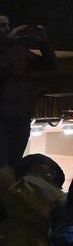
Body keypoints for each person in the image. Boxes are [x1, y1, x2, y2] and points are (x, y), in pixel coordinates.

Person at [0, 18, 55, 167]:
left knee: (15, 158)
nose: (6, 29)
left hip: (21, 112)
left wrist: (44, 42)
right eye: (2, 26)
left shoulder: (19, 51)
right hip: (4, 113)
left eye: (8, 25)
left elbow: (49, 65)